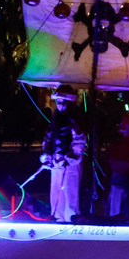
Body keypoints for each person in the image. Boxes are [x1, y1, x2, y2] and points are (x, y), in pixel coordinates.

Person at [40, 85, 87, 222]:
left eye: (62, 102)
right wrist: (47, 155)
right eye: (58, 102)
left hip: (70, 163)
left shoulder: (76, 118)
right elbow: (48, 137)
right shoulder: (56, 118)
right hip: (56, 162)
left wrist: (71, 156)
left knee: (70, 191)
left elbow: (79, 139)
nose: (59, 105)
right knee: (55, 191)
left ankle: (71, 217)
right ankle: (56, 217)